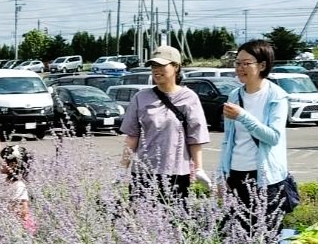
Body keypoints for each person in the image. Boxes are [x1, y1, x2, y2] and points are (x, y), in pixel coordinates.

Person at [119, 45, 209, 200]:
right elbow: (132, 136)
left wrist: (199, 168)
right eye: (153, 66)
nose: (156, 70)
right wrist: (122, 168)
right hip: (143, 172)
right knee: (141, 220)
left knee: (175, 221)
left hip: (177, 173)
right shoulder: (141, 97)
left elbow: (195, 137)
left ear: (176, 67)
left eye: (161, 65)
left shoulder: (189, 97)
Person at [217, 39, 289, 225]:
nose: (240, 68)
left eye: (246, 63)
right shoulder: (235, 95)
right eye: (237, 63)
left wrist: (243, 116)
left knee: (265, 240)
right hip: (236, 174)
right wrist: (221, 174)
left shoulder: (277, 96)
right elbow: (228, 140)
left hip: (264, 177)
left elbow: (273, 137)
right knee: (235, 237)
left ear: (262, 65)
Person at [0, 143, 35, 232]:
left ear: (12, 165)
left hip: (19, 229)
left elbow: (23, 210)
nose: (1, 163)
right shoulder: (8, 182)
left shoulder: (19, 185)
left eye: (4, 160)